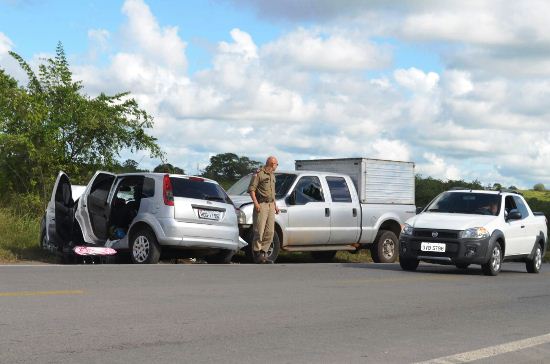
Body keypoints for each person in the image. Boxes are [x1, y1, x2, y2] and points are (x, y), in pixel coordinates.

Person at [248, 156, 280, 263]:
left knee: (270, 231)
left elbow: (272, 193)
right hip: (261, 204)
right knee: (259, 230)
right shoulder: (259, 174)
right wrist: (256, 203)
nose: (277, 166)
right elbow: (252, 190)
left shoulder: (272, 175)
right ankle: (257, 254)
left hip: (271, 205)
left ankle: (264, 253)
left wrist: (275, 206)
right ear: (272, 164)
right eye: (276, 164)